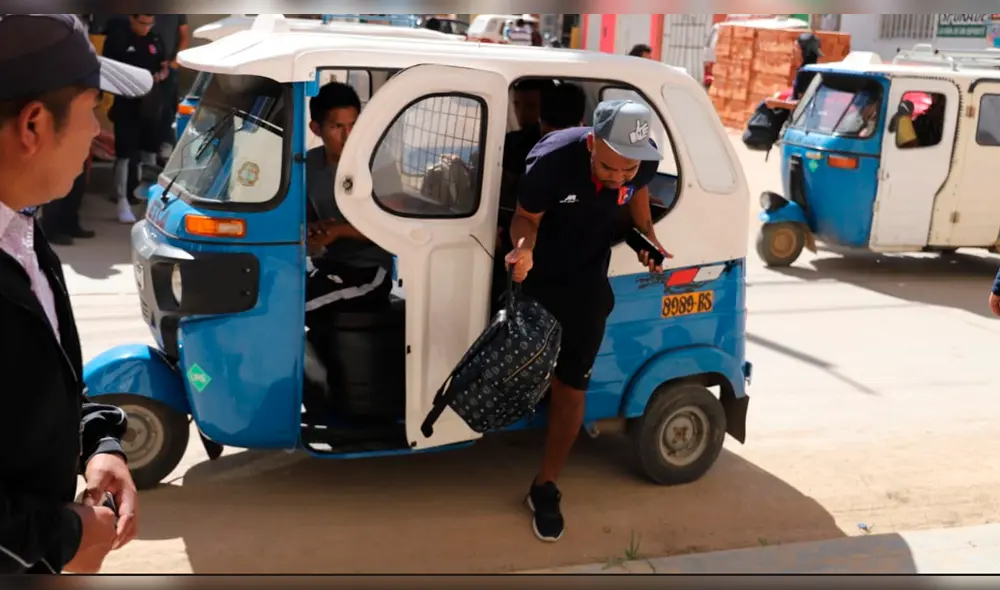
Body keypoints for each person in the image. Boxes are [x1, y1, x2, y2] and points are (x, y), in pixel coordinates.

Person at [0, 14, 151, 573]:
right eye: (93, 108)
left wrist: (97, 446)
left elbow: (37, 390)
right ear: (34, 126)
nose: (99, 132)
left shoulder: (23, 234)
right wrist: (63, 538)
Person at [504, 99, 670, 542]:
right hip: (537, 279)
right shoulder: (552, 161)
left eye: (628, 170)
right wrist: (523, 249)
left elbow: (636, 198)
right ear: (592, 142)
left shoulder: (641, 162)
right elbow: (526, 216)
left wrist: (646, 239)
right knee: (516, 373)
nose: (618, 177)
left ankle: (545, 486)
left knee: (572, 386)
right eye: (609, 168)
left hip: (587, 288)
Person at [304, 82, 394, 330]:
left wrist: (339, 231)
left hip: (370, 273)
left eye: (353, 124)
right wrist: (314, 229)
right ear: (316, 128)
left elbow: (390, 227)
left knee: (294, 310)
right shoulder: (309, 164)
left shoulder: (380, 164)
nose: (348, 135)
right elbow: (306, 216)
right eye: (337, 127)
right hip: (328, 266)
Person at [102, 14, 169, 224]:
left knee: (149, 154)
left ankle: (147, 201)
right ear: (132, 19)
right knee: (124, 154)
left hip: (150, 105)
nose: (146, 27)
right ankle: (122, 200)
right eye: (142, 23)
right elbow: (108, 68)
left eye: (150, 23)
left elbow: (163, 64)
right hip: (127, 105)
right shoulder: (118, 38)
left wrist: (161, 73)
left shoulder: (155, 38)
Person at [151, 14, 189, 162]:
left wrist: (174, 63)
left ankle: (165, 150)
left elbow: (184, 35)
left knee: (167, 109)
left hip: (170, 68)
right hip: (147, 65)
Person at [765, 32, 823, 111]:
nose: (793, 51)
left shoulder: (805, 73)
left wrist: (776, 103)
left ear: (802, 50)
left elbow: (803, 104)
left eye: (796, 47)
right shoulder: (816, 70)